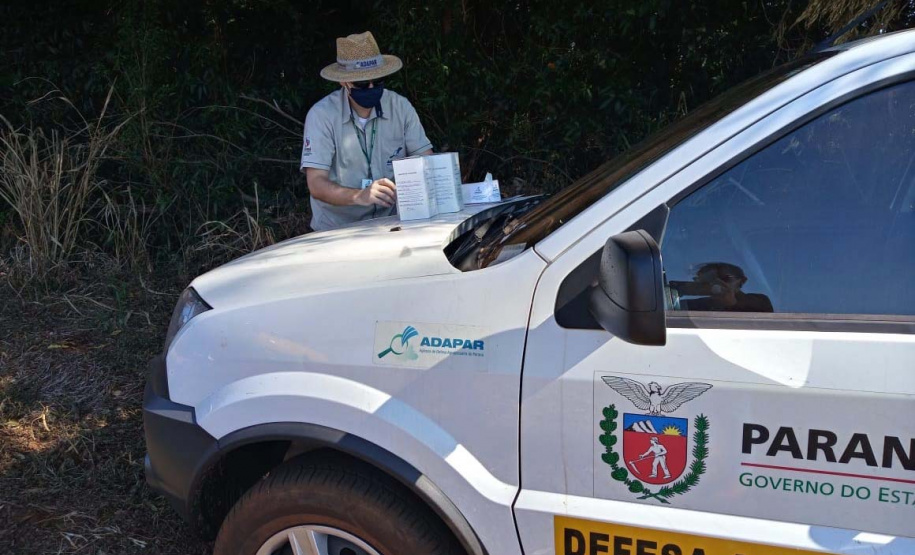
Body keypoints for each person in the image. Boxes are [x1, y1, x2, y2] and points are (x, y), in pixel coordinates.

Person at [300, 31, 434, 231]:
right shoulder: (322, 116)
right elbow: (316, 184)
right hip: (338, 229)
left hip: (393, 224)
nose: (371, 87)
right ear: (344, 82)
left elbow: (427, 161)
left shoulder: (400, 107)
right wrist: (360, 195)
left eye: (377, 81)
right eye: (362, 83)